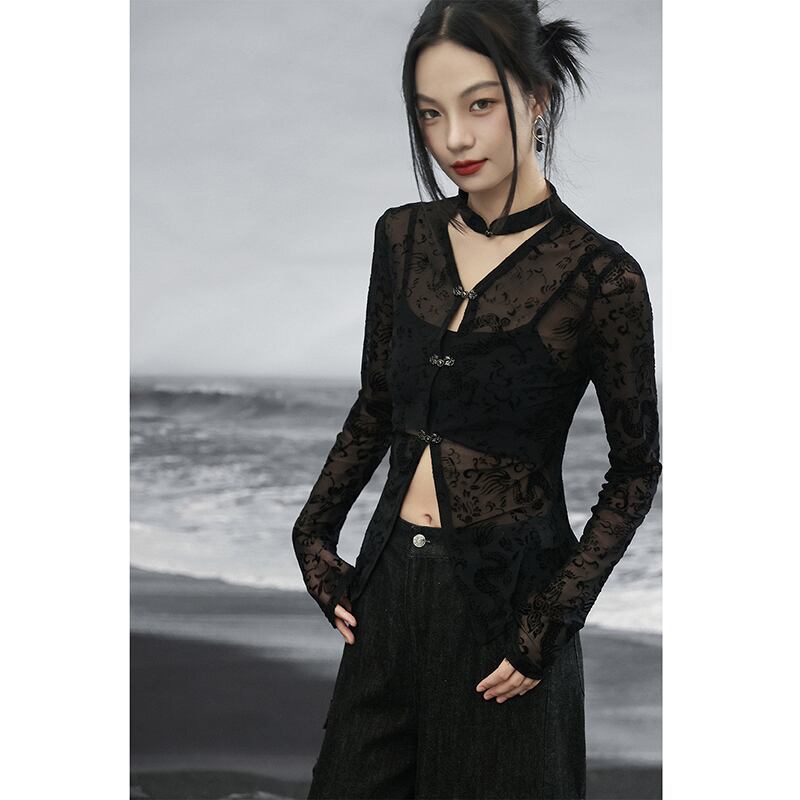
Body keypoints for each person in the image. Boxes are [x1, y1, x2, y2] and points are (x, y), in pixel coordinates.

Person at [292, 1, 662, 797]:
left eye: (480, 104)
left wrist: (550, 625)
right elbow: (377, 405)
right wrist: (312, 534)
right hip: (388, 596)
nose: (454, 137)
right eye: (430, 113)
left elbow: (636, 471)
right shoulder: (402, 238)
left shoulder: (602, 277)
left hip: (508, 625)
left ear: (538, 98)